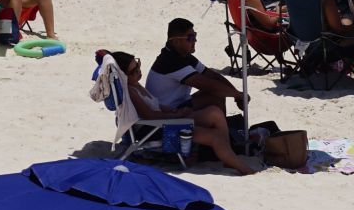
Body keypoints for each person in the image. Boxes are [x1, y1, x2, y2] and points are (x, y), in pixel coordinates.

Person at [106, 49, 258, 175]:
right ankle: (244, 169)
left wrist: (175, 111)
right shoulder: (131, 92)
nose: (139, 71)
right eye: (134, 71)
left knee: (214, 113)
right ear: (123, 75)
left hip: (163, 121)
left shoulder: (136, 86)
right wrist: (174, 116)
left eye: (138, 65)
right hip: (157, 129)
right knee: (215, 137)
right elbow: (150, 115)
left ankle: (227, 158)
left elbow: (157, 106)